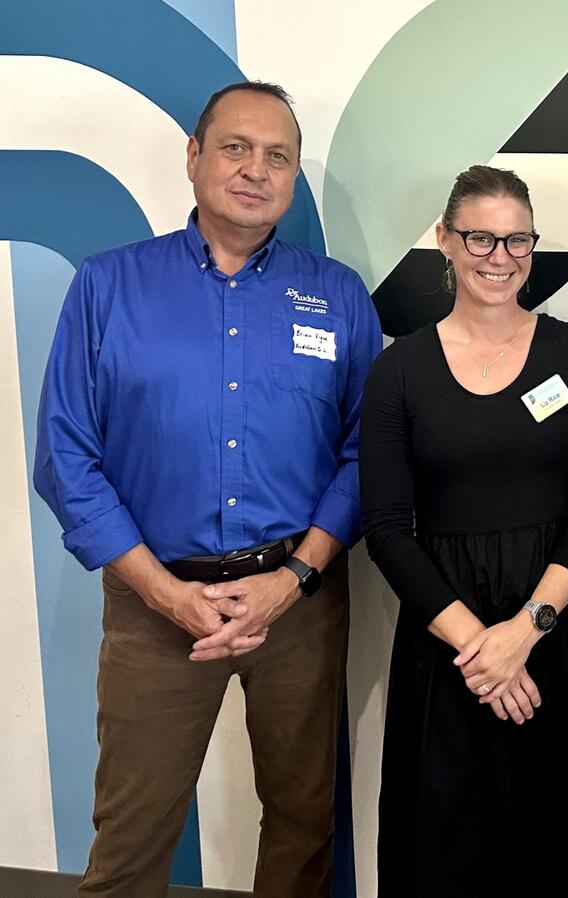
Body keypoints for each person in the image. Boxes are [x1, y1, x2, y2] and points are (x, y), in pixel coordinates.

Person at [32, 81, 381, 897]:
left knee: (301, 824)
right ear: (193, 157)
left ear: (293, 179)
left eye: (277, 156)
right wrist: (163, 593)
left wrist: (292, 581)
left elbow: (367, 454)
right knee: (132, 832)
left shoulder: (336, 296)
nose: (255, 169)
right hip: (155, 609)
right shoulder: (107, 287)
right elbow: (66, 456)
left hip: (297, 605)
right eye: (235, 147)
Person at [360, 165, 568, 896]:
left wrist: (525, 630)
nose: (500, 256)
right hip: (447, 646)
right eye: (480, 237)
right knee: (454, 849)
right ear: (445, 242)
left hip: (557, 635)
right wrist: (478, 648)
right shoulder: (397, 373)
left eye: (516, 239)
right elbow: (388, 528)